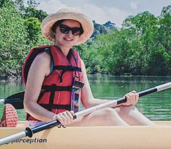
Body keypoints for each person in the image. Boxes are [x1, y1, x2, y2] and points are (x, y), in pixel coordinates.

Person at [23, 7, 154, 127]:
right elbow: (29, 104)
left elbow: (89, 102)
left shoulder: (78, 61)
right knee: (107, 115)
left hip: (69, 122)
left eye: (75, 31)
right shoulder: (43, 59)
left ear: (79, 34)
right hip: (44, 124)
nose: (69, 35)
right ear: (55, 31)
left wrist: (122, 102)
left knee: (126, 109)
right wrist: (54, 117)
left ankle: (155, 137)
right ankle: (140, 143)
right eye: (64, 29)